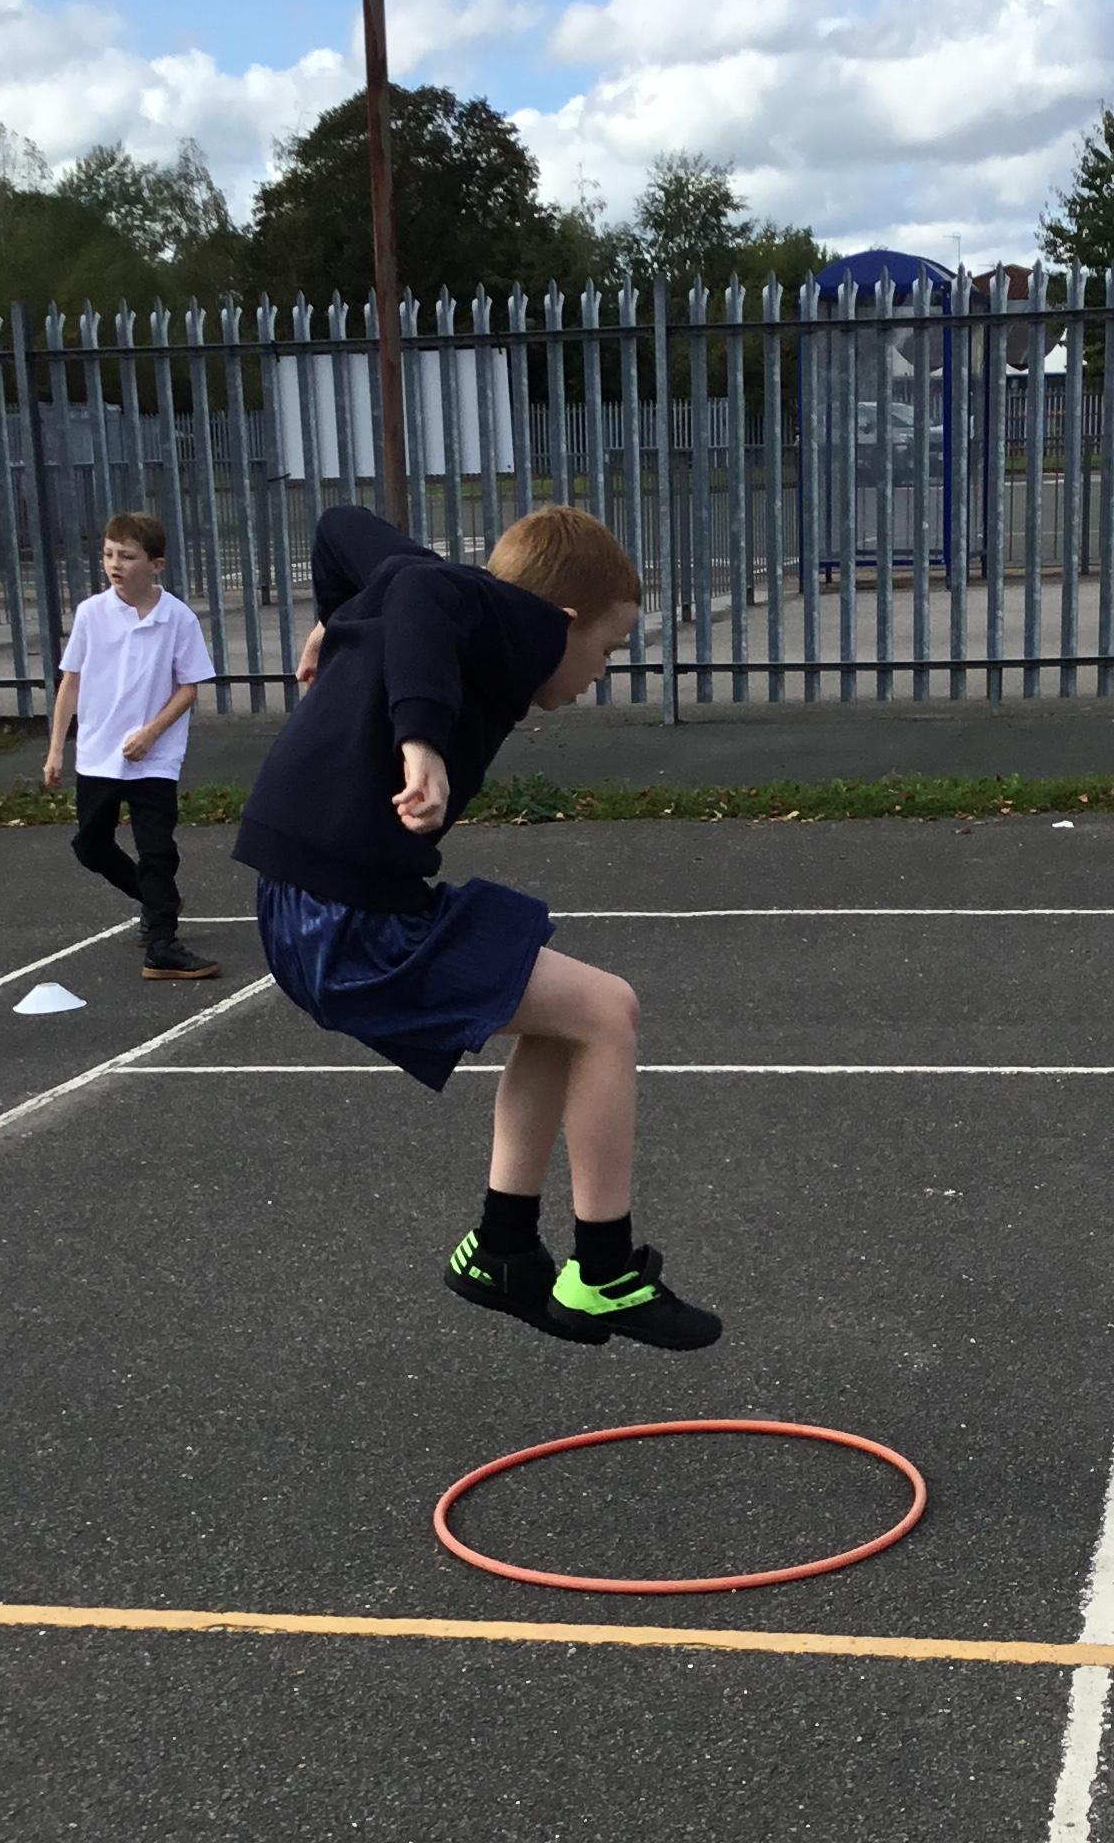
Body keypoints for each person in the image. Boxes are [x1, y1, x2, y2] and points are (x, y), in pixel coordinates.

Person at [238, 502, 718, 1350]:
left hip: (322, 901)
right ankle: (604, 1272)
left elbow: (341, 528)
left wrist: (334, 623)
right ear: (557, 620)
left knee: (566, 1018)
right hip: (342, 920)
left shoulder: (447, 608)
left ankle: (501, 1249)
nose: (602, 672)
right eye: (606, 649)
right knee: (609, 1011)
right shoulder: (484, 611)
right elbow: (424, 589)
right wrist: (421, 738)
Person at [44, 511, 222, 981]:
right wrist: (56, 749)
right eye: (108, 554)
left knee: (157, 849)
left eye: (126, 556)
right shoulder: (91, 613)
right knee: (91, 845)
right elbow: (70, 682)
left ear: (155, 564)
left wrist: (151, 733)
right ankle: (155, 899)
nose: (114, 564)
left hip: (154, 758)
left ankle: (163, 944)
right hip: (99, 753)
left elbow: (189, 688)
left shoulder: (177, 618)